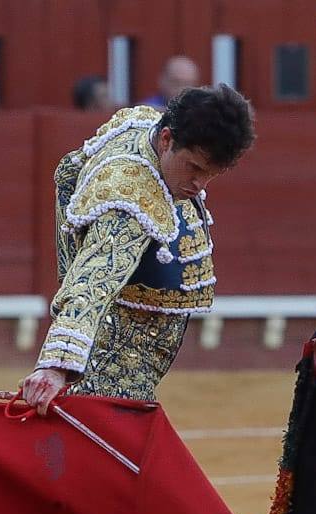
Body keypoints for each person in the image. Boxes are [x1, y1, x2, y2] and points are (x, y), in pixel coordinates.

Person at [20, 85, 256, 411]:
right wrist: (57, 365)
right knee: (103, 442)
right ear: (166, 140)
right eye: (195, 168)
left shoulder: (143, 122)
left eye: (211, 174)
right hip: (113, 352)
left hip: (129, 348)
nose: (200, 185)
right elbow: (94, 280)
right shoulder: (130, 195)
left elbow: (70, 170)